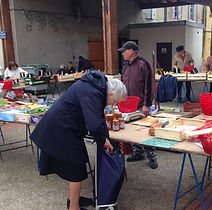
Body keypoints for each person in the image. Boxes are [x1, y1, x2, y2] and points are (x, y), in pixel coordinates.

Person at [30, 70, 127, 210]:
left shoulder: (96, 88)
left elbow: (98, 118)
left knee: (76, 168)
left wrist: (105, 138)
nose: (113, 106)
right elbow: (94, 123)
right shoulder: (93, 92)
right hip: (61, 127)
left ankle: (74, 200)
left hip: (65, 126)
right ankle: (73, 207)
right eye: (115, 102)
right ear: (111, 94)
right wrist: (103, 140)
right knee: (76, 169)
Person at [119, 41, 158, 169]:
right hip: (128, 106)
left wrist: (147, 104)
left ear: (131, 51)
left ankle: (151, 156)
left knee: (145, 132)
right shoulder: (125, 66)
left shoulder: (144, 64)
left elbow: (150, 85)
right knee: (131, 132)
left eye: (124, 51)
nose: (122, 53)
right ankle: (138, 153)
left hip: (141, 105)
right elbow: (122, 85)